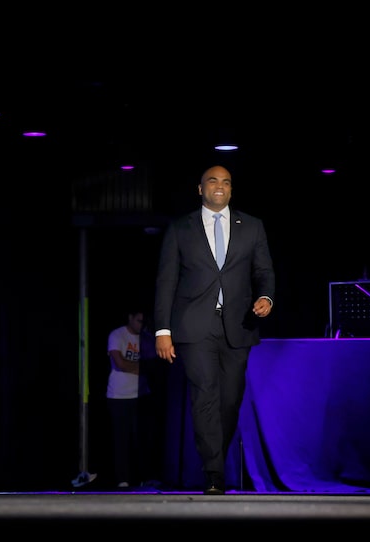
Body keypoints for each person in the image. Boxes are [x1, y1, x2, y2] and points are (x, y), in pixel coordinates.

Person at [153, 165, 275, 495]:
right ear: (200, 189)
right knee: (204, 394)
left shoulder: (252, 226)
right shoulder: (181, 229)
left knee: (230, 400)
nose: (219, 187)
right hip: (193, 327)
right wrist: (162, 330)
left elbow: (264, 272)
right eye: (212, 181)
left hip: (238, 326)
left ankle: (214, 458)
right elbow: (166, 282)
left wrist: (266, 296)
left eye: (225, 182)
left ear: (231, 190)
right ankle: (214, 472)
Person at [106, 308, 153, 489]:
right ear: (130, 318)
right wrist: (143, 367)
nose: (141, 326)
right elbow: (120, 364)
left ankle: (144, 478)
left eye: (144, 322)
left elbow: (154, 363)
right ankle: (122, 479)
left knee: (143, 439)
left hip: (141, 394)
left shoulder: (146, 338)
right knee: (121, 439)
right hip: (119, 396)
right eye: (139, 321)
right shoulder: (117, 335)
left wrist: (141, 367)